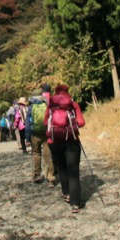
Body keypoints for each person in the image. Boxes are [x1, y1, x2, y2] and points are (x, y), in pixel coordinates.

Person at [45, 83, 86, 213]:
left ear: (55, 92)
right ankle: (75, 203)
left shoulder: (51, 105)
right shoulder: (72, 104)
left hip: (54, 141)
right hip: (71, 141)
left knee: (62, 167)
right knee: (73, 170)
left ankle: (66, 193)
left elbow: (46, 122)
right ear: (67, 91)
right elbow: (81, 122)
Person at [26, 84, 54, 185]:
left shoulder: (31, 107)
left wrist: (27, 137)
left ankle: (37, 174)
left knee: (36, 153)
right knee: (48, 154)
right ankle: (50, 177)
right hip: (46, 133)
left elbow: (28, 123)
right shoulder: (46, 104)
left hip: (35, 134)